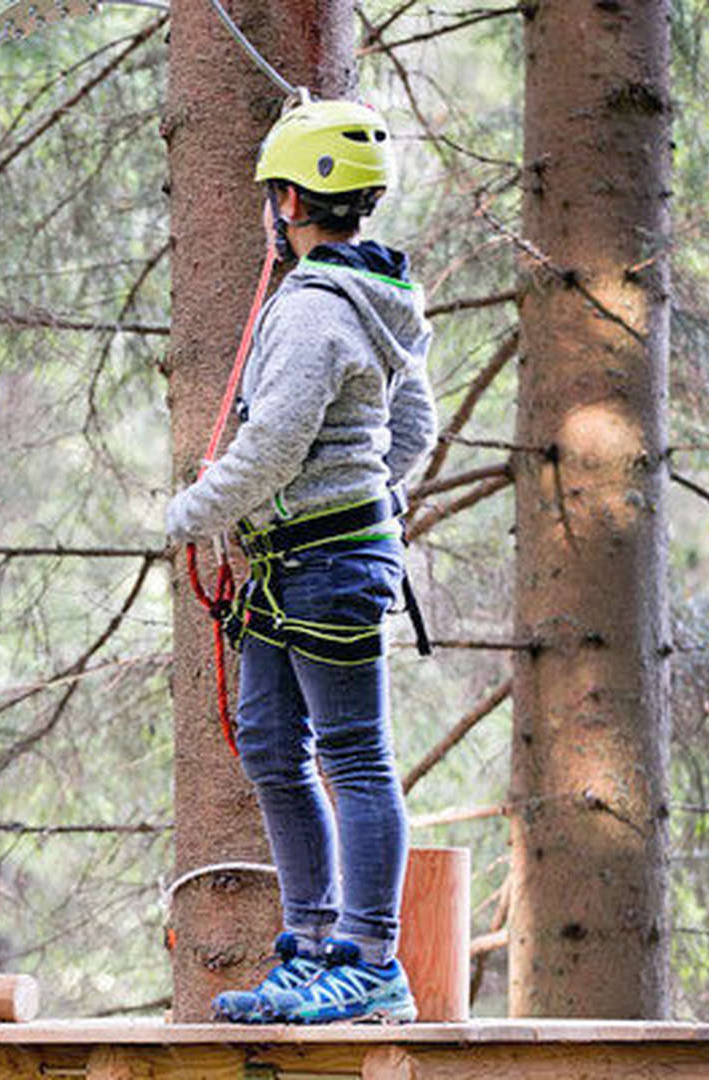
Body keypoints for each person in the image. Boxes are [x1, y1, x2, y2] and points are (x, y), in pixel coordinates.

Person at [165, 96, 437, 1024]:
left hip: (324, 562)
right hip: (298, 563)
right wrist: (372, 488)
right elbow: (414, 427)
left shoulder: (318, 306)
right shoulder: (380, 295)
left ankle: (370, 959)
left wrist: (191, 512)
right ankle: (318, 945)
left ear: (287, 199)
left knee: (354, 756)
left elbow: (275, 442)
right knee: (275, 748)